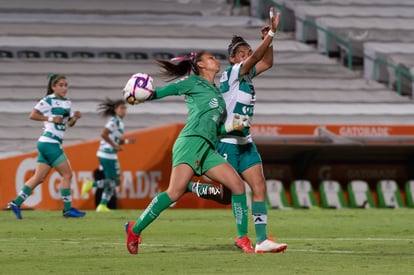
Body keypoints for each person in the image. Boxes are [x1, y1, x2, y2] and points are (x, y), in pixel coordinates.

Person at [125, 51, 254, 254]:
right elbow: (163, 91)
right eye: (210, 57)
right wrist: (142, 96)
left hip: (208, 147)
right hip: (191, 142)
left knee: (237, 187)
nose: (215, 60)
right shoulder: (192, 82)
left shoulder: (216, 91)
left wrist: (231, 128)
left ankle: (242, 238)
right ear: (200, 64)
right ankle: (135, 229)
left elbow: (213, 129)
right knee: (174, 192)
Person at [188, 8, 288, 253]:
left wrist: (269, 43)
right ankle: (193, 187)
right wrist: (271, 33)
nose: (247, 56)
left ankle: (262, 239)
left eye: (248, 52)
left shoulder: (246, 76)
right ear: (232, 59)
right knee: (227, 194)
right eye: (241, 54)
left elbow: (267, 62)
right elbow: (256, 60)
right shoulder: (231, 74)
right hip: (226, 143)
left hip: (245, 142)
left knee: (259, 186)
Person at [7, 74, 86, 219]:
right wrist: (50, 118)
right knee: (67, 175)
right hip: (50, 142)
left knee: (39, 177)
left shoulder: (67, 102)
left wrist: (74, 118)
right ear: (53, 87)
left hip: (49, 143)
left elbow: (68, 124)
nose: (63, 88)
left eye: (65, 85)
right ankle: (67, 209)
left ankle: (16, 202)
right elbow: (32, 115)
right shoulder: (48, 100)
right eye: (60, 85)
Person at [81, 98, 134, 212]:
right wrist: (115, 146)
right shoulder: (114, 121)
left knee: (113, 181)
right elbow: (104, 134)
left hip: (109, 153)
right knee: (115, 181)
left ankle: (102, 205)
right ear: (115, 110)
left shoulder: (119, 122)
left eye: (125, 108)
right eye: (121, 108)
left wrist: (125, 142)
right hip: (107, 154)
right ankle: (91, 184)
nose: (124, 110)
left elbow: (114, 139)